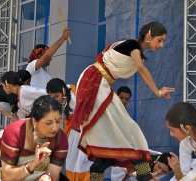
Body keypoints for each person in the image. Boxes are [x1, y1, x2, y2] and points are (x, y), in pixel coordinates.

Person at [71, 21, 175, 180]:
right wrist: (157, 91)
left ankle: (99, 169)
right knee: (127, 128)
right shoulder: (133, 46)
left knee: (108, 134)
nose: (161, 45)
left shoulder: (135, 51)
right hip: (95, 81)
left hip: (100, 83)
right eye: (159, 40)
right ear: (148, 35)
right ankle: (143, 174)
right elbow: (140, 68)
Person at [0, 95, 68, 180]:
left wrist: (47, 177)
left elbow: (53, 173)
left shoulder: (61, 138)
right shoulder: (15, 132)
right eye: (48, 123)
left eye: (58, 121)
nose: (55, 128)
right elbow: (7, 177)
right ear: (34, 121)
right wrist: (34, 164)